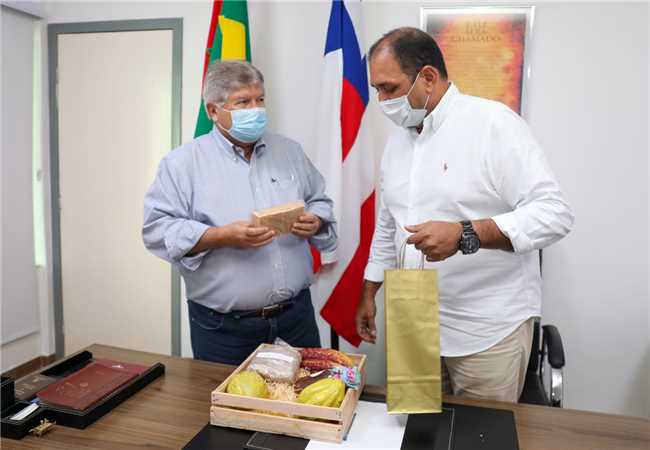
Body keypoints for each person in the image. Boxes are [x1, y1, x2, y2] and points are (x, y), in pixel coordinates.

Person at [355, 27, 574, 402]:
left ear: (427, 77)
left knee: (480, 435)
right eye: (376, 90)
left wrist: (465, 233)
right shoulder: (397, 142)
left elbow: (554, 214)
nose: (382, 100)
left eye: (389, 88)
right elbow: (388, 223)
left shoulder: (493, 125)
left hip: (485, 326)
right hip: (411, 317)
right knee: (415, 429)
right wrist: (369, 289)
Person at [143, 60, 336, 365]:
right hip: (224, 328)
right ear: (213, 111)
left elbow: (320, 200)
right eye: (243, 102)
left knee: (307, 405)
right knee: (229, 411)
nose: (256, 109)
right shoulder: (181, 164)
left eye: (260, 99)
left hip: (296, 318)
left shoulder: (290, 151)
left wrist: (316, 220)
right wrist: (220, 236)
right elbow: (157, 229)